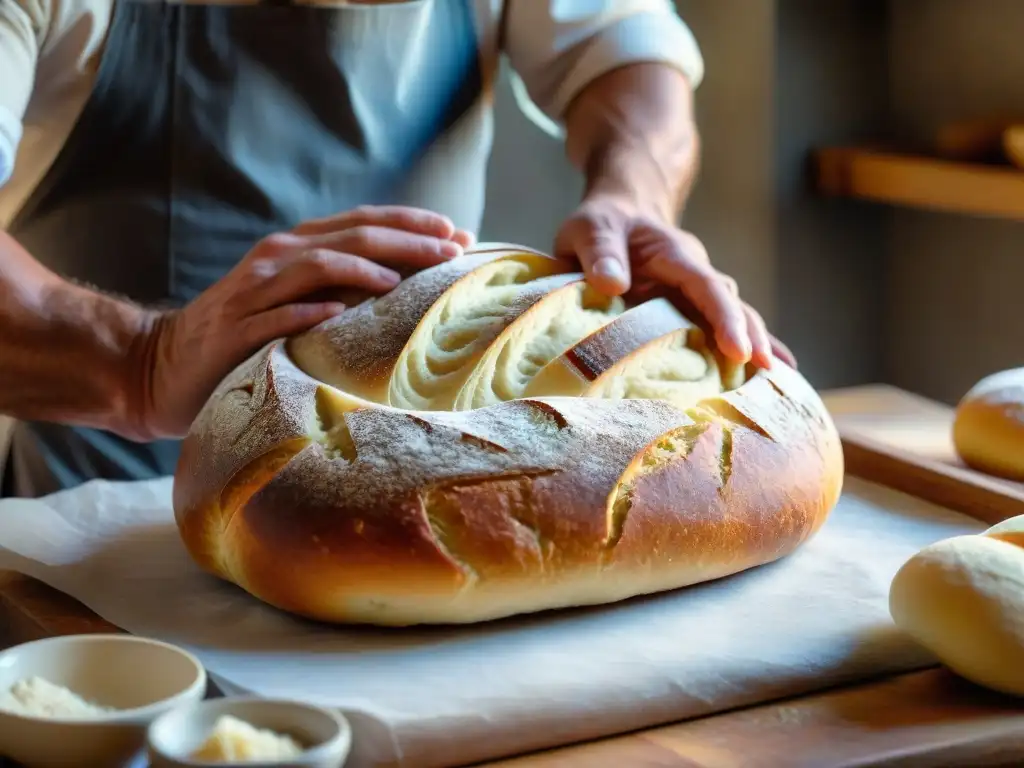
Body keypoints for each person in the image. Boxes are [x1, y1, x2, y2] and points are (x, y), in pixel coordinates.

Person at [0, 0, 792, 499]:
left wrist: (632, 197)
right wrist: (143, 364)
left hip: (428, 501)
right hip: (92, 519)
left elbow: (625, 49)